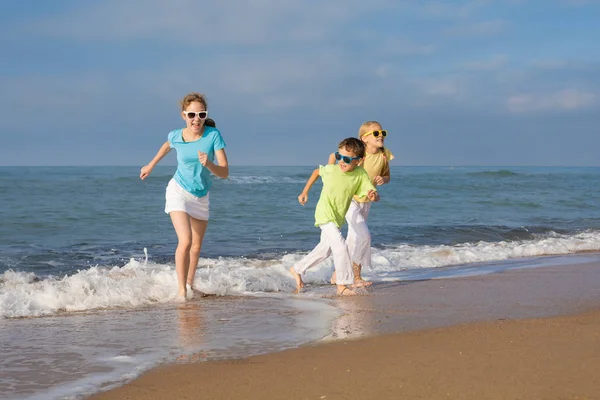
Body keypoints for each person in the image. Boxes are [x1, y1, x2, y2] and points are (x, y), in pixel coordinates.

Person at [140, 92, 229, 300]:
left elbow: (225, 172)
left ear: (205, 115)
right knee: (186, 240)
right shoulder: (176, 135)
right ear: (184, 116)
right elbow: (166, 146)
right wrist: (150, 165)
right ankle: (181, 292)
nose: (196, 119)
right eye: (191, 115)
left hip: (201, 194)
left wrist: (209, 164)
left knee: (196, 246)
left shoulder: (213, 136)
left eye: (201, 114)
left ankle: (190, 285)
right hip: (178, 190)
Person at [289, 137, 380, 296]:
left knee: (325, 250)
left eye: (346, 159)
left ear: (359, 161)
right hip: (324, 213)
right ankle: (342, 285)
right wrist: (304, 192)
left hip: (337, 216)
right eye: (339, 156)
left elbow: (370, 192)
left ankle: (297, 269)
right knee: (340, 245)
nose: (341, 162)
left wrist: (374, 196)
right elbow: (317, 172)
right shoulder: (332, 170)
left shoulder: (360, 174)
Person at [329, 121, 394, 287]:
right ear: (364, 138)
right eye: (376, 133)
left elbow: (387, 176)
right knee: (364, 235)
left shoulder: (384, 154)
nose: (381, 136)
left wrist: (382, 179)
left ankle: (342, 274)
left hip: (366, 201)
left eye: (382, 133)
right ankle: (352, 276)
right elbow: (337, 162)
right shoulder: (358, 153)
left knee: (355, 238)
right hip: (350, 199)